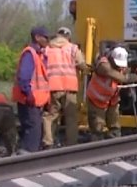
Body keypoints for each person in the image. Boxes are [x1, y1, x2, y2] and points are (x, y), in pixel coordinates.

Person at [85, 45, 137, 139]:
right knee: (97, 126)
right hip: (96, 99)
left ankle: (114, 141)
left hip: (111, 100)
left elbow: (124, 74)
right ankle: (97, 146)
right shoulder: (104, 65)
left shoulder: (120, 66)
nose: (120, 67)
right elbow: (121, 77)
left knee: (114, 124)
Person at [41, 27, 87, 148]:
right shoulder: (73, 48)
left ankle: (48, 142)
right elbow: (82, 65)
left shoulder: (47, 49)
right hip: (70, 87)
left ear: (57, 35)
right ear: (68, 37)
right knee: (71, 118)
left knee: (51, 116)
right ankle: (71, 144)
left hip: (53, 86)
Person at [12, 26, 52, 154]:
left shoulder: (39, 55)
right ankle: (26, 161)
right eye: (45, 37)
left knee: (33, 132)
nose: (48, 40)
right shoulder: (30, 54)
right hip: (29, 101)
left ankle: (26, 159)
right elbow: (23, 77)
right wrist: (28, 94)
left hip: (36, 102)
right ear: (37, 37)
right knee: (32, 133)